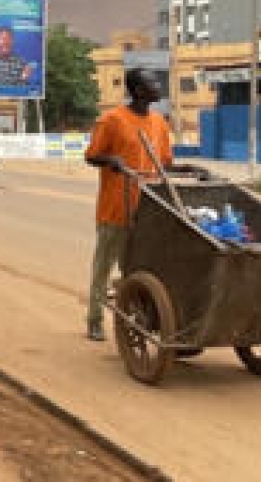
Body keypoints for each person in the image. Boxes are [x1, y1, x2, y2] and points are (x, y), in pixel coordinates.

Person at [83, 68, 201, 342]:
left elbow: (165, 163)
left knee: (141, 270)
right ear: (137, 90)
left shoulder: (159, 122)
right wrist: (113, 161)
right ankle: (95, 319)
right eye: (152, 82)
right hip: (117, 208)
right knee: (105, 266)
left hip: (150, 211)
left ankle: (138, 320)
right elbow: (92, 156)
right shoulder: (111, 120)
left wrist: (189, 169)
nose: (158, 86)